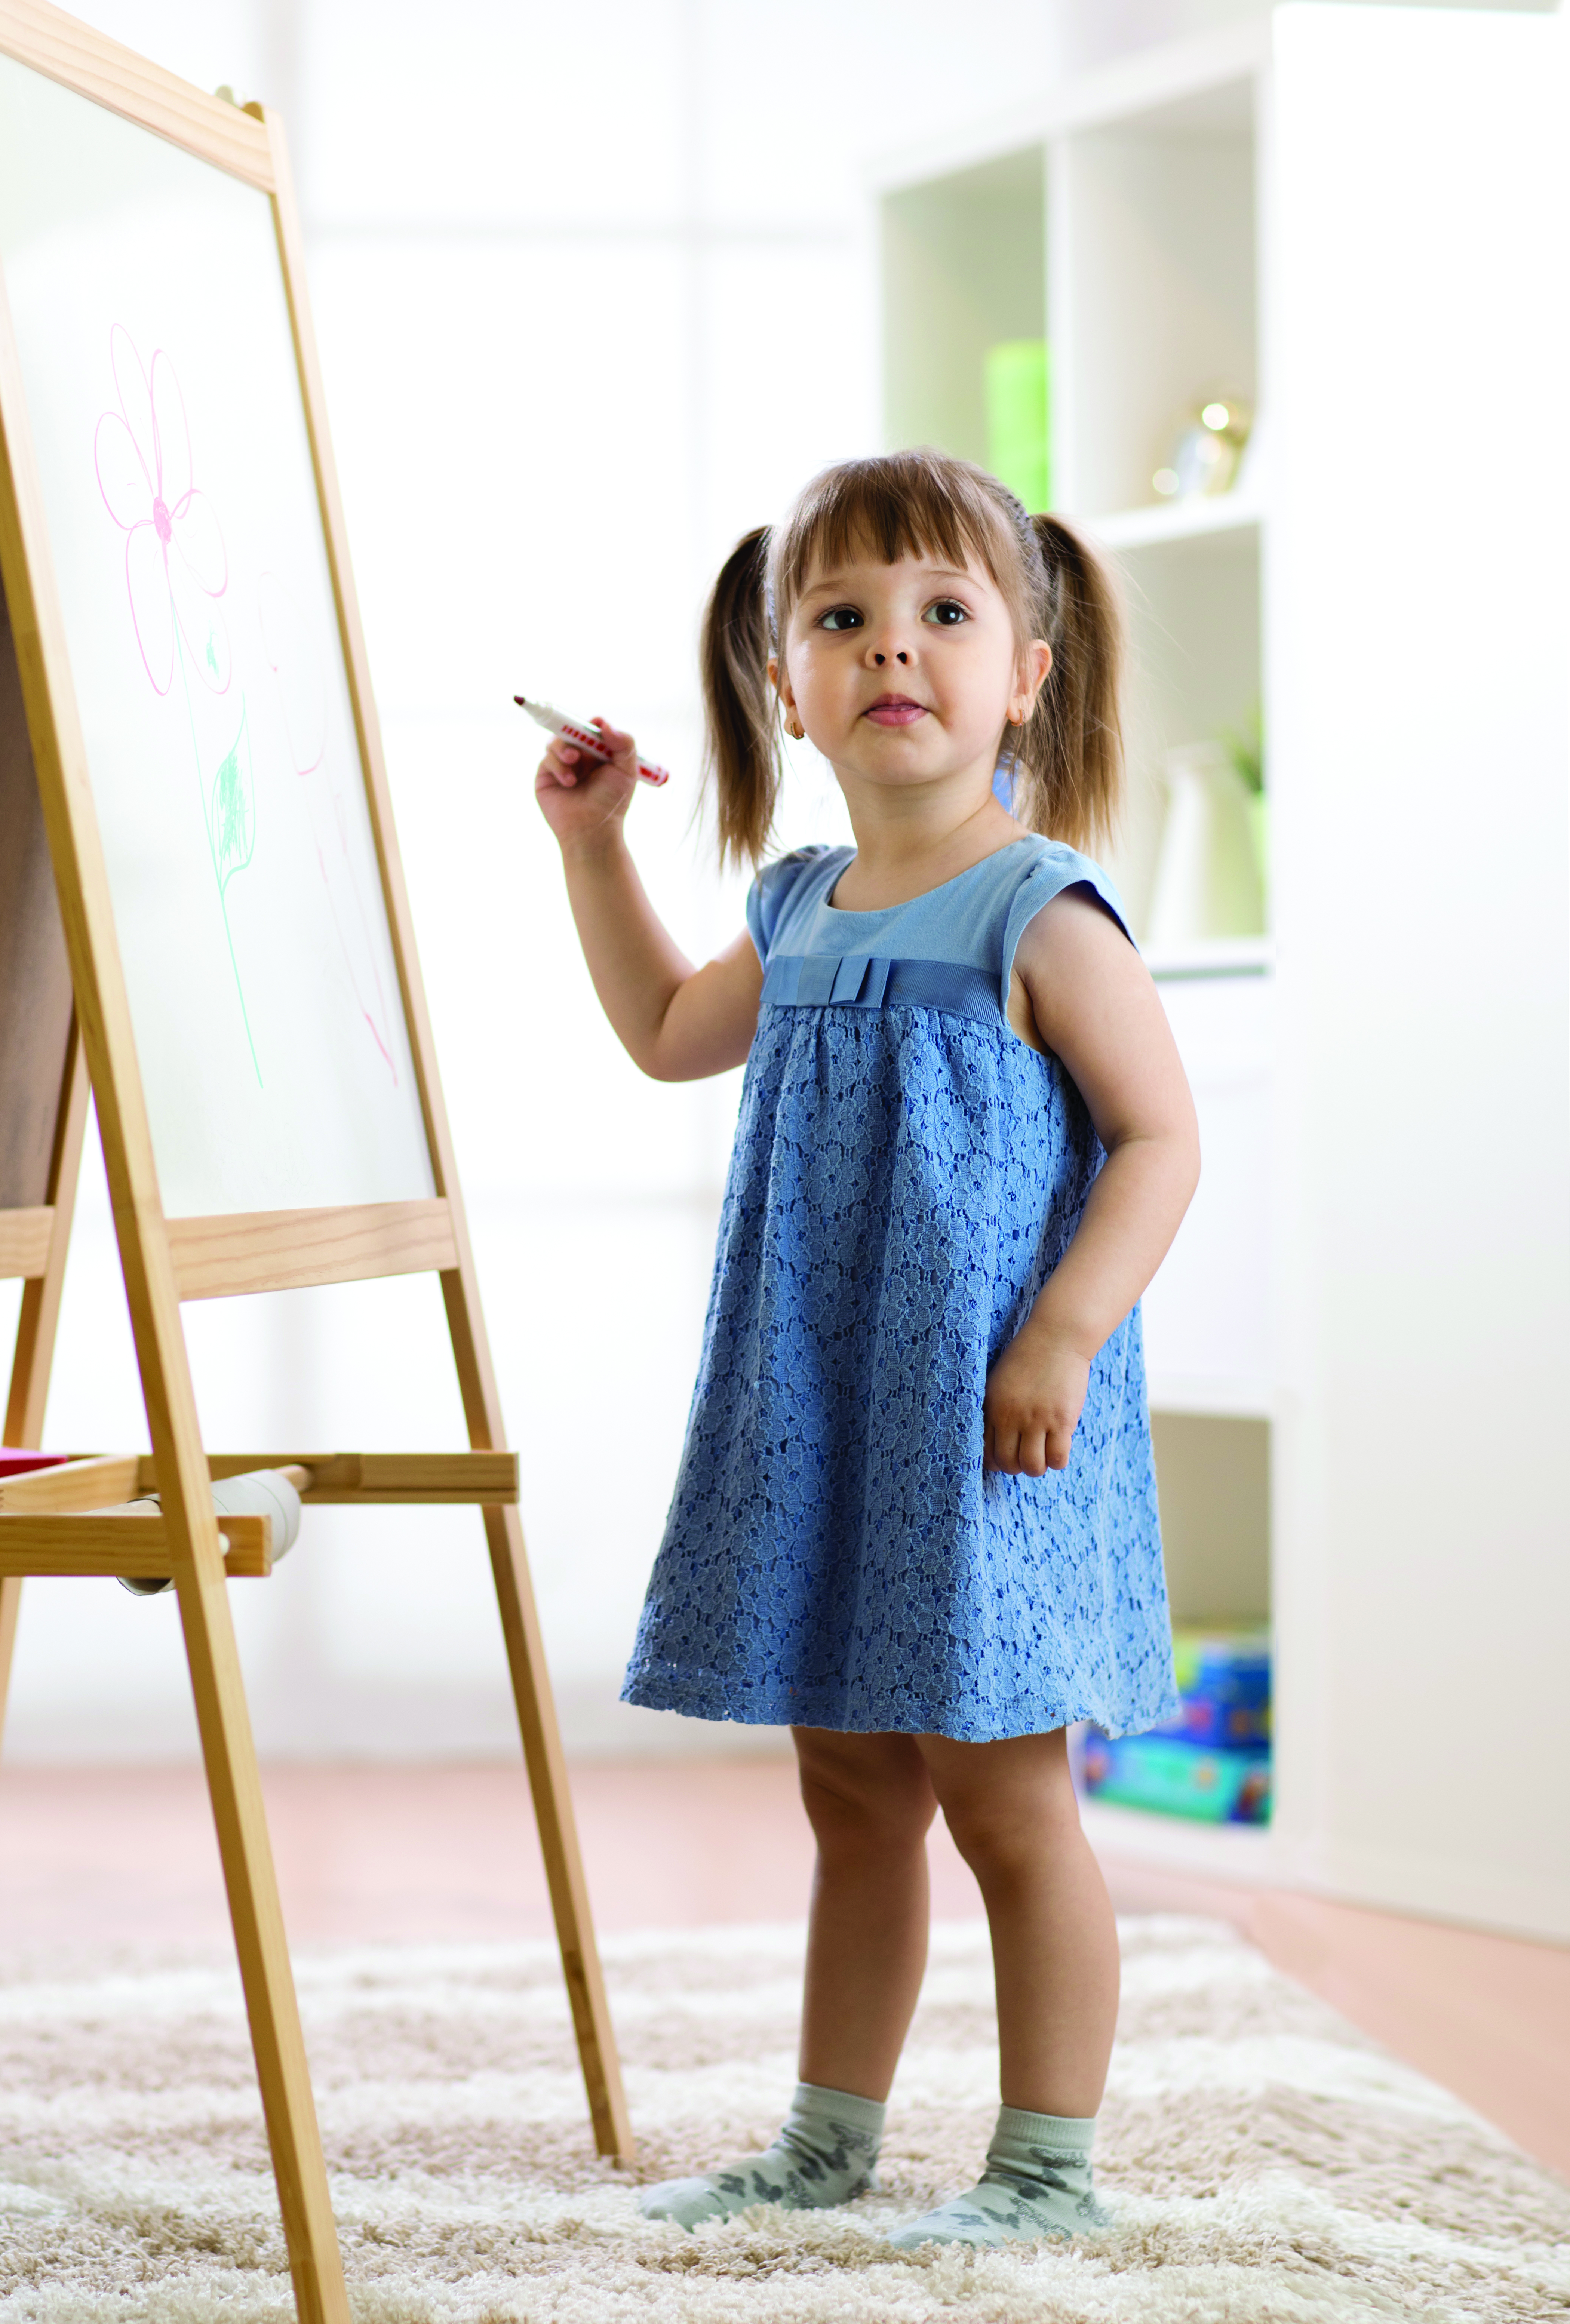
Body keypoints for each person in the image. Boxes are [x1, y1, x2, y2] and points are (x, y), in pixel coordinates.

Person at [532, 448, 1199, 2250]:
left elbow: (1161, 1140)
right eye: (844, 619)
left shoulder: (1040, 912)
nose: (893, 649)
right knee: (851, 1787)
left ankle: (1045, 2171)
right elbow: (673, 1032)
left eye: (943, 615)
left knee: (1003, 1796)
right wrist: (595, 846)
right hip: (826, 1410)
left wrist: (1065, 1332)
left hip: (987, 1420)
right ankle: (827, 2140)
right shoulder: (799, 903)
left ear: (1026, 673)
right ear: (787, 685)